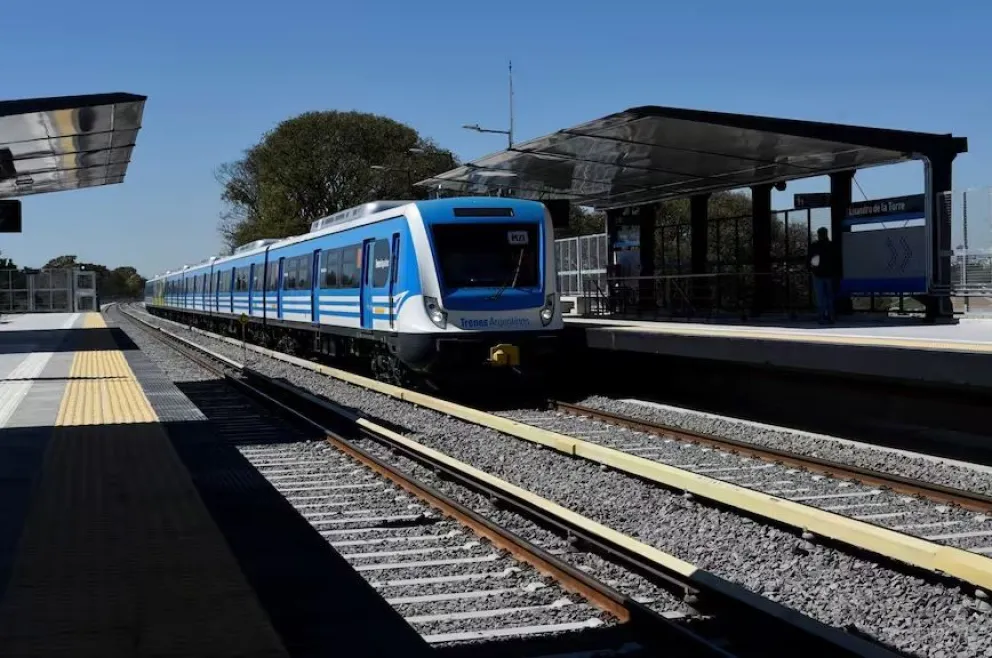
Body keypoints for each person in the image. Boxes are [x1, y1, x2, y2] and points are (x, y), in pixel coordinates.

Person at [808, 227, 835, 324]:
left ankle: (822, 316)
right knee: (829, 296)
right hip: (829, 274)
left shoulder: (814, 246)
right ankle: (830, 315)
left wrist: (811, 269)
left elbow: (810, 258)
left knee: (820, 297)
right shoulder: (831, 246)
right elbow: (836, 260)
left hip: (818, 274)